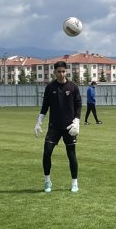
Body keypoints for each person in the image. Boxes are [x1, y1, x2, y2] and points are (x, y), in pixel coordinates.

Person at [34, 61, 82, 193]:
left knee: (71, 155)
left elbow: (78, 105)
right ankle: (47, 182)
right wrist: (39, 122)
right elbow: (45, 106)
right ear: (54, 72)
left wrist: (76, 121)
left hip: (69, 127)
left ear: (66, 72)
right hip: (54, 127)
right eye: (59, 71)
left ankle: (74, 183)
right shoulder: (50, 87)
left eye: (63, 71)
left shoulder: (73, 87)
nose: (61, 74)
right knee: (47, 153)